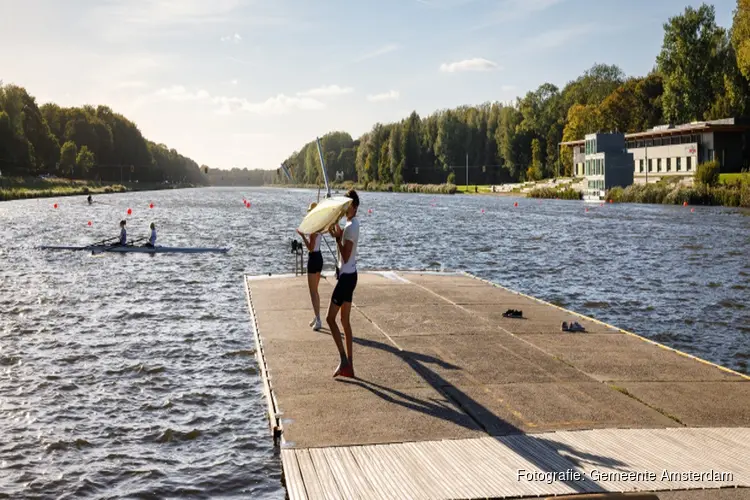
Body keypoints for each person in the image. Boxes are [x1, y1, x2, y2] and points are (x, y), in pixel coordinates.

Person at [326, 189, 360, 378]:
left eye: (349, 205)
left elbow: (345, 257)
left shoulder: (350, 227)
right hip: (351, 275)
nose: (346, 208)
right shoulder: (352, 223)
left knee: (330, 319)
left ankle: (344, 361)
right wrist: (338, 235)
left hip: (346, 277)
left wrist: (338, 238)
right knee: (344, 321)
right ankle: (350, 366)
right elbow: (347, 252)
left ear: (354, 207)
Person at [296, 202, 324, 331]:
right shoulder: (320, 227)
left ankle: (318, 319)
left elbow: (310, 248)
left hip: (313, 259)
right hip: (320, 258)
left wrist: (302, 236)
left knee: (313, 292)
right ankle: (316, 315)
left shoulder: (313, 230)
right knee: (316, 290)